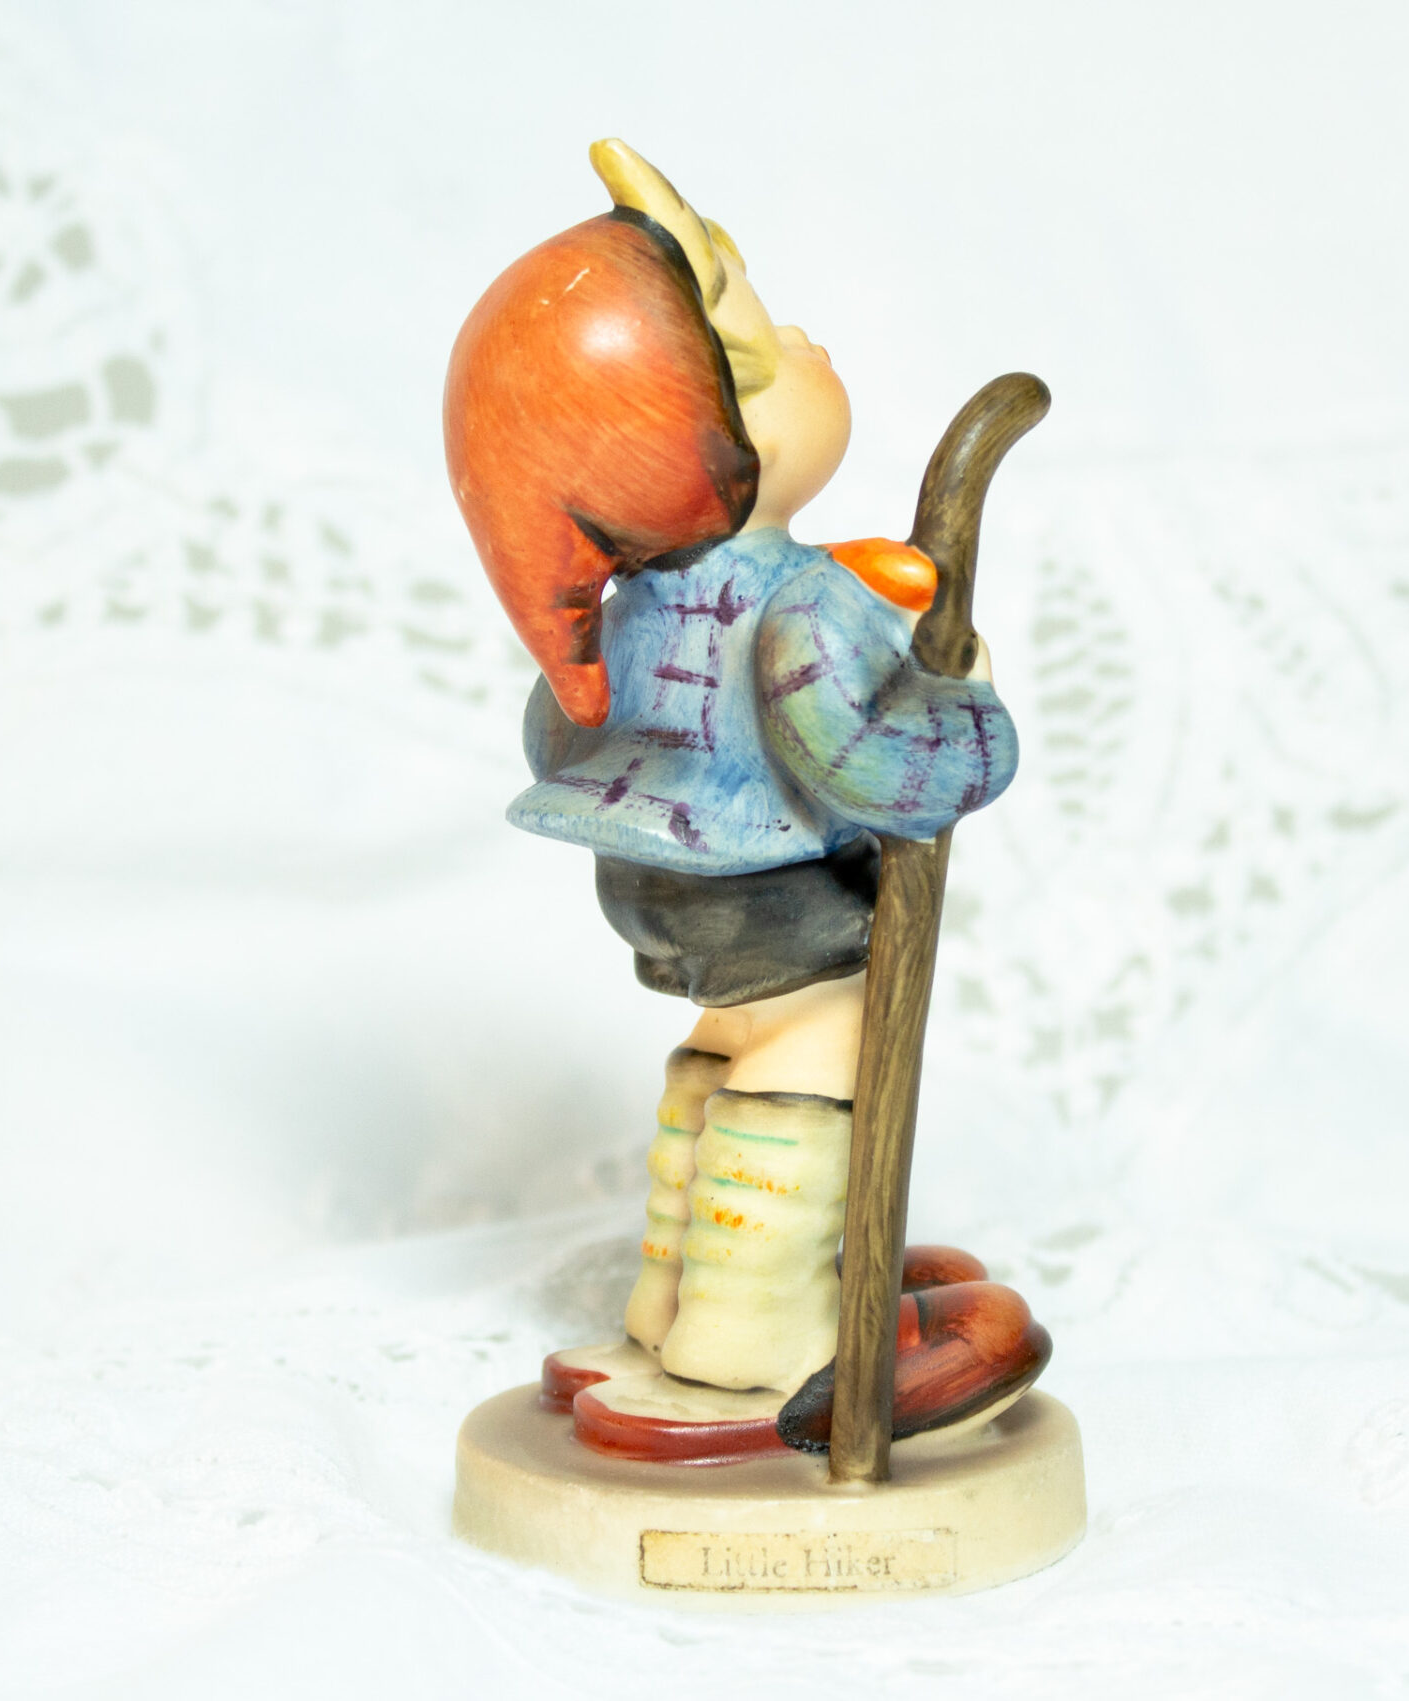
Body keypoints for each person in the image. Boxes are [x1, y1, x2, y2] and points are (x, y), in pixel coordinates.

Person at [445, 141, 1046, 1460]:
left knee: (714, 1065)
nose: (808, 338)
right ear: (730, 449)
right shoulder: (799, 610)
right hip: (783, 912)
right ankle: (746, 1339)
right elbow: (865, 762)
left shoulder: (627, 605)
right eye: (770, 344)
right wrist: (963, 707)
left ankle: (661, 1312)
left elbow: (560, 727)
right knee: (804, 1079)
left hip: (661, 899)